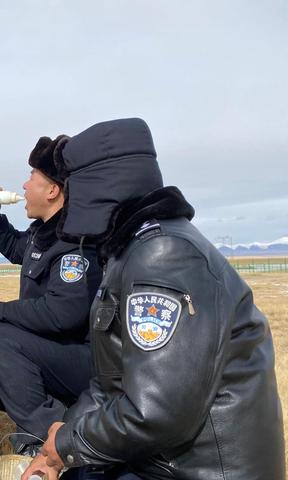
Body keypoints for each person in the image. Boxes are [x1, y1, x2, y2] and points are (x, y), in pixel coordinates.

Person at [21, 118, 285, 480]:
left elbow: (158, 412)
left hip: (200, 470)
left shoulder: (163, 256)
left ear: (98, 186)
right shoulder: (128, 249)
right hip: (163, 459)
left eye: (73, 184)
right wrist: (59, 445)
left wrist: (69, 443)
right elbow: (110, 384)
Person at [0, 137, 103, 457]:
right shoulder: (45, 231)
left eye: (32, 177)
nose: (24, 185)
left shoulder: (75, 241)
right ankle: (74, 417)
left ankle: (54, 444)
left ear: (53, 190)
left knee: (3, 339)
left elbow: (62, 313)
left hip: (86, 359)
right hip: (57, 352)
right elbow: (19, 249)